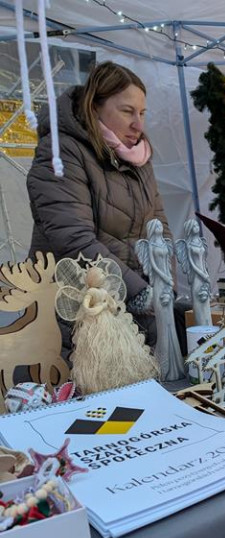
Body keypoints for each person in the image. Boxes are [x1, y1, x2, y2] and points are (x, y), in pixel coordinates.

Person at [26, 60, 186, 352]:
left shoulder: (138, 158)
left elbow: (159, 229)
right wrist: (139, 293)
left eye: (142, 113)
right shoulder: (61, 153)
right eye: (127, 111)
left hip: (133, 317)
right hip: (79, 316)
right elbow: (73, 239)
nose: (138, 124)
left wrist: (165, 286)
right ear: (95, 106)